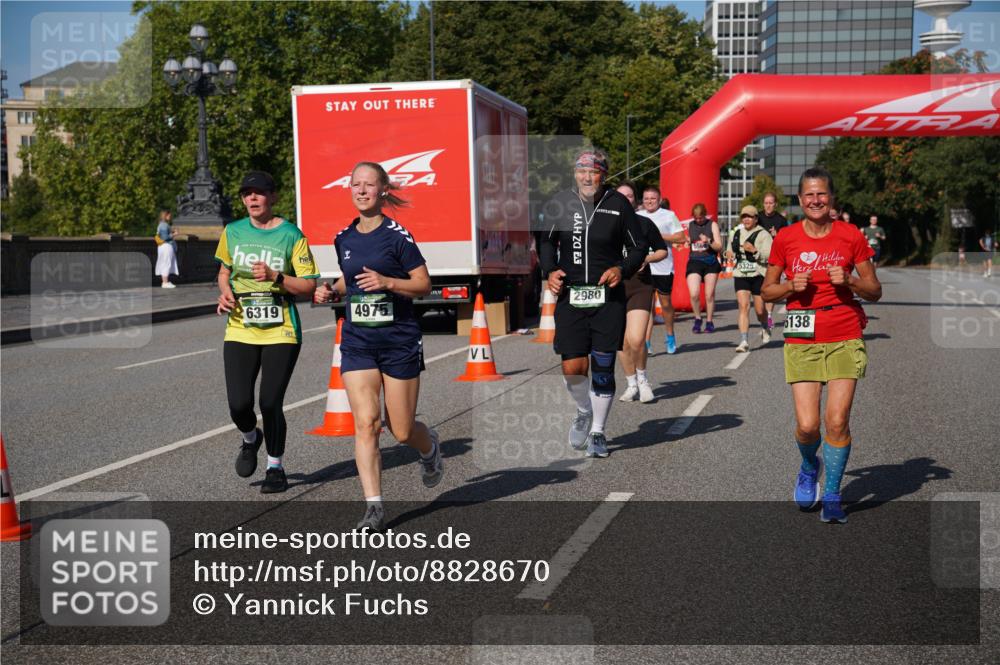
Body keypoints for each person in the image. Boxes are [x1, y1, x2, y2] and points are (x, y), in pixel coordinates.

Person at [314, 161, 441, 532]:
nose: (362, 191)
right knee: (366, 424)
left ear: (384, 190)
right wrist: (332, 290)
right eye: (356, 185)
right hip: (359, 342)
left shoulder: (398, 235)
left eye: (369, 185)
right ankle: (374, 507)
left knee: (399, 430)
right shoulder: (344, 237)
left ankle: (429, 448)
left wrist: (388, 281)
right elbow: (349, 277)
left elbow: (423, 284)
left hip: (399, 340)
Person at [762, 167, 882, 524]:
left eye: (822, 194)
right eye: (809, 195)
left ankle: (832, 493)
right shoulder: (786, 238)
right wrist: (788, 287)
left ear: (832, 199)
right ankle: (807, 464)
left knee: (837, 420)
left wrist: (850, 281)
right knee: (808, 425)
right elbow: (767, 290)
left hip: (844, 331)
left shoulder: (850, 236)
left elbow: (875, 290)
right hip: (802, 335)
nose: (816, 200)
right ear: (800, 201)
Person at [216, 171, 319, 494]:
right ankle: (250, 438)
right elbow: (224, 272)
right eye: (247, 193)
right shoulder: (232, 231)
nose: (252, 199)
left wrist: (276, 276)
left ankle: (276, 467)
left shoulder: (291, 235)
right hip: (240, 326)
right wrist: (224, 292)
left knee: (270, 401)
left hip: (281, 329)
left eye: (259, 193)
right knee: (239, 404)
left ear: (273, 197)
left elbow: (308, 285)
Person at [539, 149, 645, 458]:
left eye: (594, 172)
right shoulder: (560, 202)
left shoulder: (618, 204)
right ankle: (584, 410)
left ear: (603, 176)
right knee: (573, 367)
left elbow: (638, 248)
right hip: (572, 295)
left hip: (606, 298)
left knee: (602, 366)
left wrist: (620, 269)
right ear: (575, 174)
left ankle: (598, 430)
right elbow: (546, 241)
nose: (587, 177)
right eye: (582, 171)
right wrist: (550, 270)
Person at [615, 181, 668, 403]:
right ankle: (631, 384)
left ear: (634, 201)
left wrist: (645, 258)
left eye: (628, 196)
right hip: (612, 288)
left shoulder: (644, 224)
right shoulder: (602, 225)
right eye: (620, 196)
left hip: (640, 285)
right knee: (621, 342)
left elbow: (662, 251)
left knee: (636, 339)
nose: (624, 200)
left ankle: (643, 379)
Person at [642, 189, 686, 354]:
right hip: (644, 266)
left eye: (653, 198)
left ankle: (670, 335)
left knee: (666, 304)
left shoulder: (668, 215)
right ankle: (645, 342)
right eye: (646, 198)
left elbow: (681, 237)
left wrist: (658, 236)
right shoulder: (638, 214)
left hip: (664, 267)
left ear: (659, 200)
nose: (649, 201)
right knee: (646, 306)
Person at [726, 205, 772, 352]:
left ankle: (765, 325)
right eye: (744, 216)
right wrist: (729, 254)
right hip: (741, 274)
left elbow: (770, 256)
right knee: (743, 306)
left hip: (758, 274)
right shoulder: (736, 233)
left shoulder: (763, 235)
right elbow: (729, 249)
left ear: (756, 219)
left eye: (749, 216)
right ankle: (744, 340)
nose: (746, 219)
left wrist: (754, 251)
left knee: (759, 311)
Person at [685, 203, 723, 333]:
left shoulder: (712, 225)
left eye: (700, 218)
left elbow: (719, 247)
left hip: (710, 262)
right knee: (694, 293)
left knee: (709, 295)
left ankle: (709, 321)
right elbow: (688, 240)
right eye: (695, 218)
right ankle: (697, 318)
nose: (698, 220)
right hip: (695, 261)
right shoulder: (690, 225)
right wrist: (687, 242)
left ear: (704, 215)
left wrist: (709, 241)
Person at [757, 192, 787, 329]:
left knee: (771, 286)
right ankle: (762, 312)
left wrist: (777, 235)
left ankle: (769, 315)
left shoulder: (781, 220)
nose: (768, 206)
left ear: (775, 204)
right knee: (758, 288)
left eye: (771, 203)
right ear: (763, 204)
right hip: (757, 257)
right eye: (766, 203)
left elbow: (786, 240)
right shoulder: (758, 217)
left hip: (774, 257)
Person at [155, 209, 179, 288]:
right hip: (166, 246)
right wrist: (174, 234)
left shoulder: (161, 224)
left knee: (164, 262)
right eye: (169, 215)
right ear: (165, 215)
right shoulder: (164, 225)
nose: (170, 216)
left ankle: (164, 281)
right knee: (167, 263)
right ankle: (165, 282)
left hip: (161, 246)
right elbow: (165, 237)